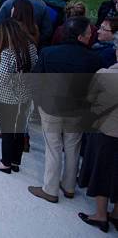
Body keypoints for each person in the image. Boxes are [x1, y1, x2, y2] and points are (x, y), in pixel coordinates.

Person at [28, 17, 103, 204]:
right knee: (73, 147)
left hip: (52, 107)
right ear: (79, 37)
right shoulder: (95, 58)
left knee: (53, 148)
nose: (91, 36)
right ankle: (69, 186)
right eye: (88, 34)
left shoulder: (49, 53)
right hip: (78, 110)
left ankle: (50, 189)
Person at [77, 36, 118, 233]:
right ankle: (116, 213)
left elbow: (90, 98)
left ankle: (101, 214)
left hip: (105, 131)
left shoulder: (104, 74)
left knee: (101, 171)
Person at [0, 19, 38, 174]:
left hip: (6, 97)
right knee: (19, 130)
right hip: (25, 95)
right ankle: (15, 161)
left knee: (7, 130)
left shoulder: (8, 52)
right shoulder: (31, 48)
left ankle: (6, 163)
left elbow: (2, 79)